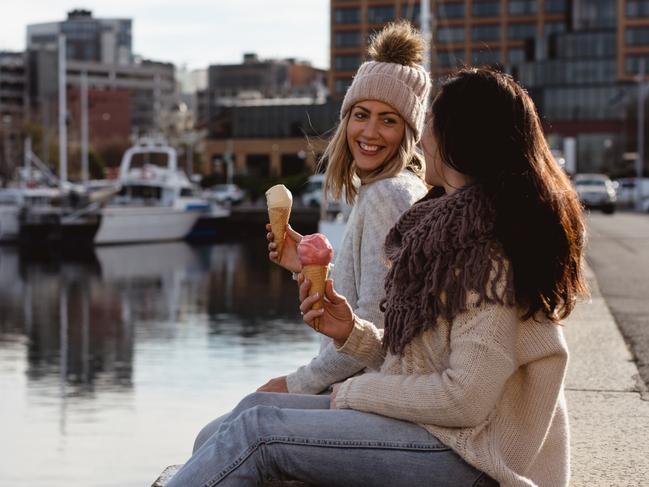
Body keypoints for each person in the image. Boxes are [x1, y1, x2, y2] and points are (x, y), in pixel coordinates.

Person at [167, 66, 589, 487]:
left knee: (258, 435)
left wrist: (350, 394)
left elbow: (464, 400)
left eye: (429, 123)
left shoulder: (488, 254)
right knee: (252, 415)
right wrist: (353, 333)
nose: (422, 138)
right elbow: (427, 359)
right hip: (446, 439)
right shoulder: (451, 230)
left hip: (474, 459)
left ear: (459, 140)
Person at [192, 20, 430, 452]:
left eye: (388, 120)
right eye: (361, 115)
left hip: (378, 401)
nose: (370, 132)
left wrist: (294, 384)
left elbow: (375, 334)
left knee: (218, 436)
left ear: (409, 134)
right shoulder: (384, 191)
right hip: (369, 390)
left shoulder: (388, 196)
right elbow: (373, 306)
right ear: (346, 120)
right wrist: (307, 266)